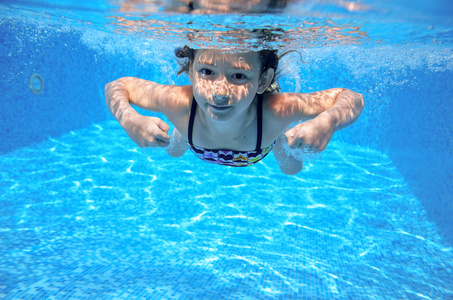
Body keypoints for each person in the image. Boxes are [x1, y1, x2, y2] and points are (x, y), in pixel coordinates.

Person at [105, 47, 364, 175]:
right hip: (191, 132)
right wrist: (130, 120)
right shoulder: (178, 102)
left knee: (291, 167)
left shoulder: (277, 110)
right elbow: (117, 86)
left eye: (238, 75)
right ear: (192, 72)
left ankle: (278, 140)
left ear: (262, 81)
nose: (219, 92)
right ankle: (181, 134)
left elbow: (352, 97)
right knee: (173, 150)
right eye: (207, 72)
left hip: (262, 142)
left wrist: (327, 122)